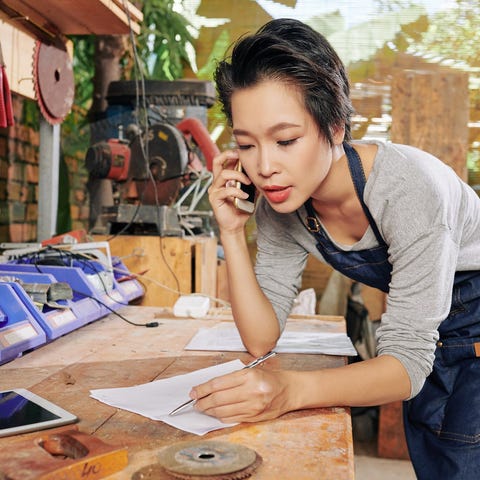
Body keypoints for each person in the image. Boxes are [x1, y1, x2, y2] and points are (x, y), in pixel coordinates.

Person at [197, 18, 480, 479]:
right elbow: (261, 338)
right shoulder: (280, 205)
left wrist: (288, 390)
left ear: (335, 126)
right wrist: (230, 232)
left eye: (286, 140)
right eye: (247, 145)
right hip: (432, 336)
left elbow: (406, 366)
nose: (265, 166)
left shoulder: (409, 190)